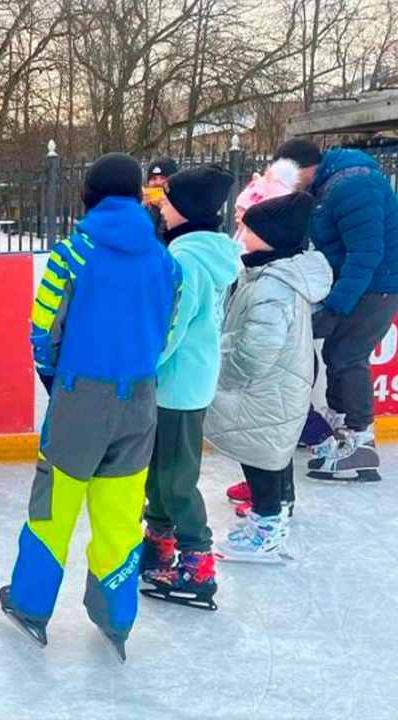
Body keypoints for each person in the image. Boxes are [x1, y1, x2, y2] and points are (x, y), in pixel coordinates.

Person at [0, 153, 181, 661]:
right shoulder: (168, 262)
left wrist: (59, 380)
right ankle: (116, 616)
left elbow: (42, 330)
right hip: (141, 399)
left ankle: (30, 604)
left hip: (81, 396)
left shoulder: (72, 252)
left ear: (91, 194)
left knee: (53, 509)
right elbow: (166, 335)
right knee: (121, 515)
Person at [206, 192, 332, 562]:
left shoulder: (271, 285)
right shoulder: (270, 273)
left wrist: (225, 374)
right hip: (275, 385)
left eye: (250, 229)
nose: (241, 234)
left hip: (265, 387)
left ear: (272, 238)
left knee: (260, 456)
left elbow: (258, 348)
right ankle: (269, 518)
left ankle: (267, 533)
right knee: (262, 453)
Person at [139, 165, 239, 611]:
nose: (161, 204)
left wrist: (142, 362)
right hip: (182, 381)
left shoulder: (187, 261)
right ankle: (159, 541)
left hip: (177, 385)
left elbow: (172, 326)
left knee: (177, 479)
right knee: (160, 471)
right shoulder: (197, 252)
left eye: (169, 199)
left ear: (189, 209)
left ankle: (197, 561)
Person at [274, 139, 398, 481]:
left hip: (379, 285)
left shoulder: (353, 186)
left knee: (347, 355)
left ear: (304, 168)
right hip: (364, 283)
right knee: (337, 353)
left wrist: (336, 306)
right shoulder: (326, 187)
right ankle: (342, 431)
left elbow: (366, 253)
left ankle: (361, 439)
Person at [144, 156, 178, 239]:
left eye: (163, 178)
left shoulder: (180, 212)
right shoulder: (141, 211)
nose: (158, 183)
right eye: (153, 178)